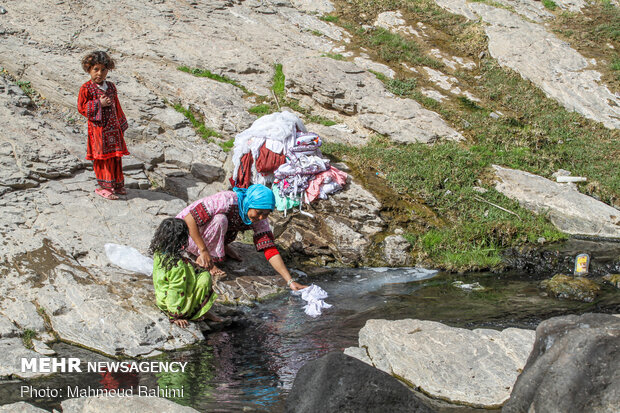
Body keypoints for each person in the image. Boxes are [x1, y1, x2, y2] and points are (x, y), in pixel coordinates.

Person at [176, 184, 308, 291]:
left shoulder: (258, 217)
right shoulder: (226, 200)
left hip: (204, 232)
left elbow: (270, 249)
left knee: (224, 221)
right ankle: (204, 260)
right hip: (185, 234)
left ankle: (221, 246)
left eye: (266, 214)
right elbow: (189, 220)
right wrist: (204, 251)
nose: (261, 217)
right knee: (220, 219)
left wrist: (290, 281)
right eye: (259, 212)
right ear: (250, 203)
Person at [149, 218, 220, 328]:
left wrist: (192, 266)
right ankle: (198, 312)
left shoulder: (159, 253)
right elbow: (175, 290)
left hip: (161, 297)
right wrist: (175, 316)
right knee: (205, 277)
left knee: (199, 272)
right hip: (173, 305)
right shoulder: (177, 266)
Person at [77, 50, 129, 200]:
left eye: (103, 70)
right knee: (102, 158)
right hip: (98, 132)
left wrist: (121, 124)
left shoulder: (111, 87)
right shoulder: (86, 88)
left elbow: (117, 106)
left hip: (113, 130)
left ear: (108, 70)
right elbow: (82, 107)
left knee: (115, 157)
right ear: (89, 70)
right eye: (96, 69)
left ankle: (118, 185)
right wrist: (98, 104)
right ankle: (104, 187)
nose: (99, 73)